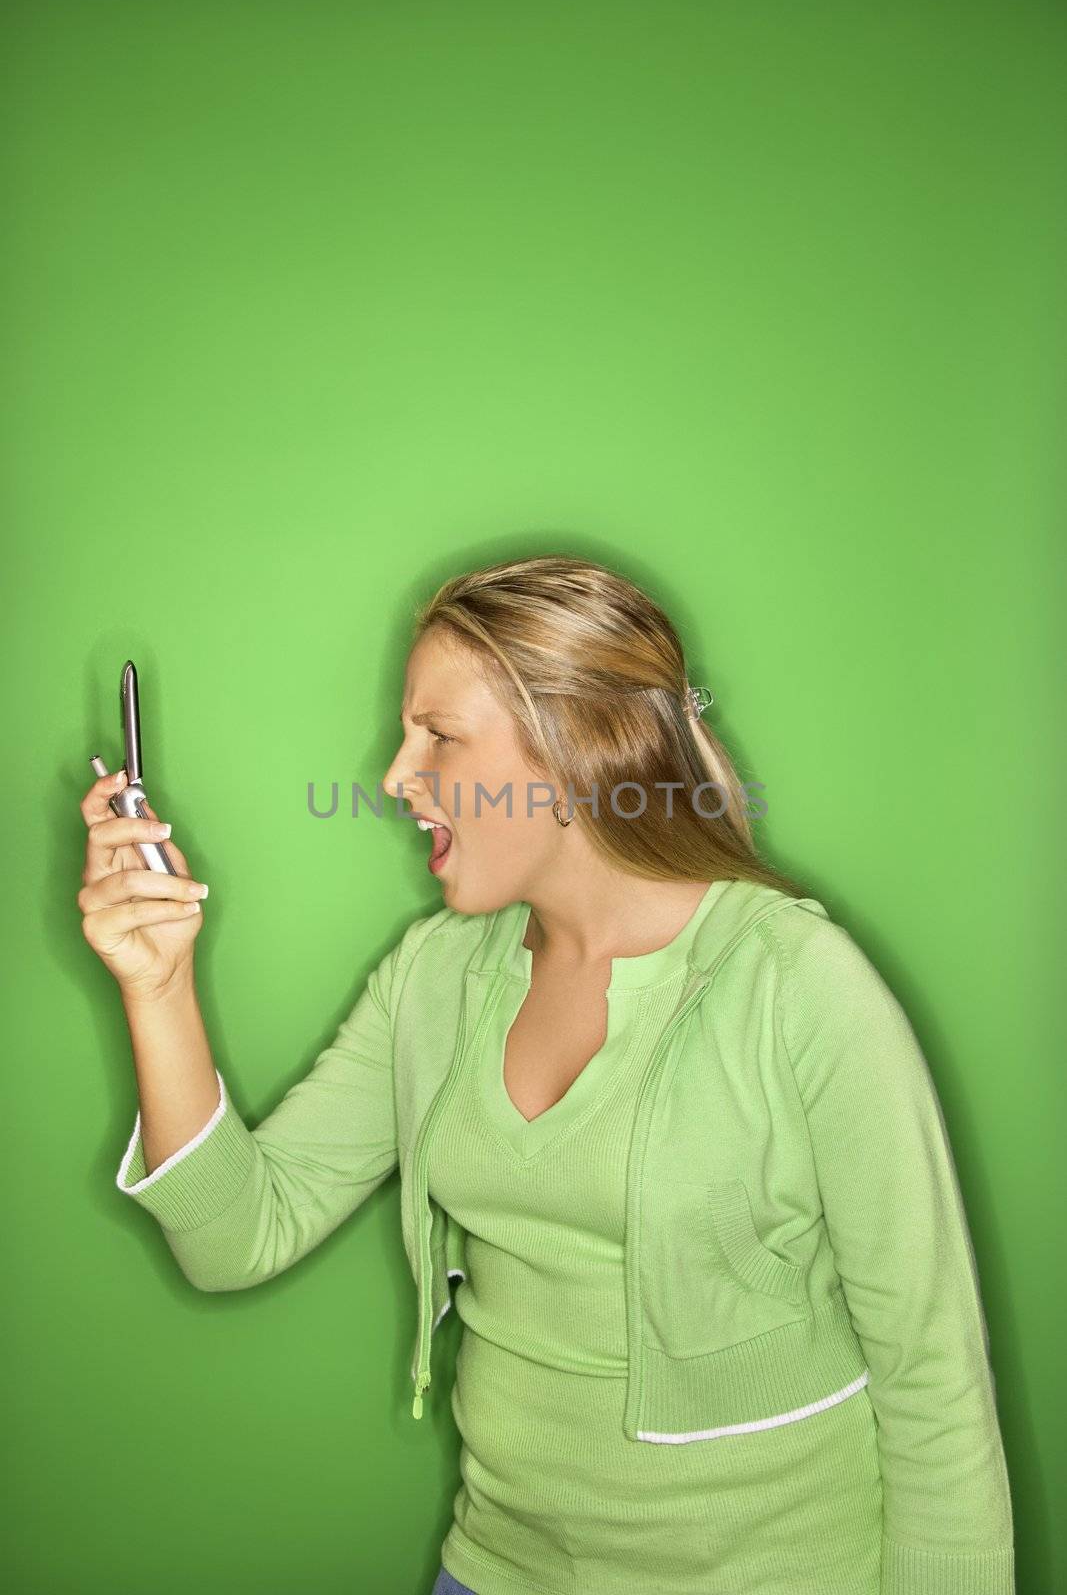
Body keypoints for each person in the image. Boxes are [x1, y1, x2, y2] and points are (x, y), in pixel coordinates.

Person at [80, 555, 1015, 1595]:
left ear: (577, 750)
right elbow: (236, 1237)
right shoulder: (432, 978)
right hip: (493, 1572)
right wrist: (156, 987)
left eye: (437, 735)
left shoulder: (796, 986)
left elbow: (933, 1382)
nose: (393, 776)